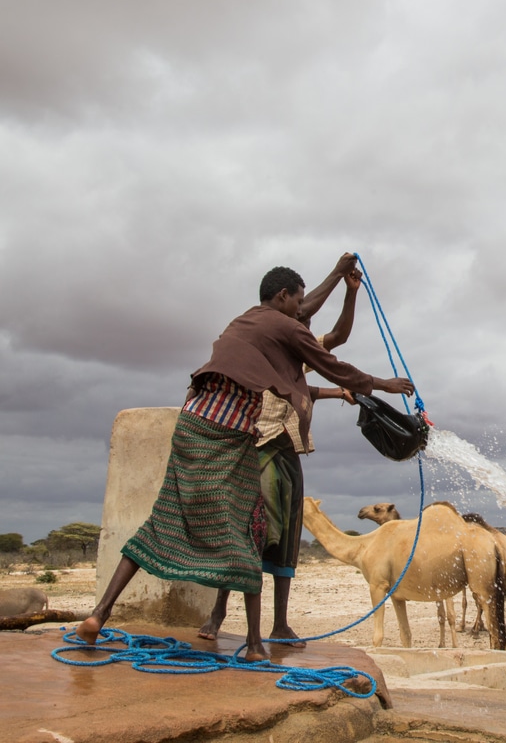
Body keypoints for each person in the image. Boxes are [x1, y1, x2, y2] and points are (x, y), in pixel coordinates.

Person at [76, 259, 414, 661]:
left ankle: (99, 614)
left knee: (163, 519)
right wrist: (383, 385)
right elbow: (332, 363)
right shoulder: (286, 328)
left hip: (192, 425)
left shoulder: (249, 322)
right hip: (232, 436)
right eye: (298, 301)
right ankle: (255, 644)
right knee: (249, 528)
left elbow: (319, 331)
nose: (302, 309)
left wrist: (343, 277)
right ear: (284, 297)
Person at [198, 255, 363, 647]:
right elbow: (307, 318)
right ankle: (218, 613)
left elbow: (336, 339)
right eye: (298, 312)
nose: (303, 322)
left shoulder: (297, 348)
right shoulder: (272, 344)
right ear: (285, 301)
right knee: (249, 532)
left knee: (286, 538)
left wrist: (350, 294)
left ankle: (280, 624)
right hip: (261, 445)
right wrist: (338, 274)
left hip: (290, 450)